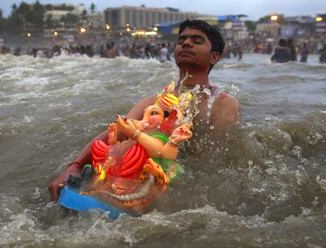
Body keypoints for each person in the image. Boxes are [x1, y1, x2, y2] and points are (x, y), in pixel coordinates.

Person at [48, 19, 240, 201]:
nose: (186, 43)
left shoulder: (222, 104)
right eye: (182, 40)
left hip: (184, 185)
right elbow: (116, 132)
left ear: (214, 56)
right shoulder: (152, 102)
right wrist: (74, 167)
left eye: (196, 41)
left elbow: (214, 164)